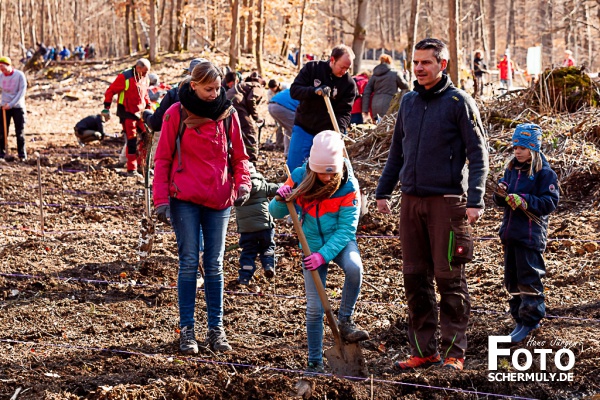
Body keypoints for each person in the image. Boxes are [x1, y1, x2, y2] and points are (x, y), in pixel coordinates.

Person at [375, 38, 489, 372]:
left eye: (427, 62)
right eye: (416, 62)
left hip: (447, 203)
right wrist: (384, 191)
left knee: (449, 277)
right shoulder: (408, 102)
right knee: (414, 277)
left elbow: (478, 153)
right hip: (411, 202)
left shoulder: (459, 102)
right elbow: (397, 151)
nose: (420, 68)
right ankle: (424, 350)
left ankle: (454, 352)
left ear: (443, 64)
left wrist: (476, 198)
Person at [153, 61, 251, 355]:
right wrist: (160, 201)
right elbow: (163, 160)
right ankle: (187, 331)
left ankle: (216, 329)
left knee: (215, 264)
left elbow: (240, 157)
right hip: (184, 198)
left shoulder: (227, 114)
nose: (214, 93)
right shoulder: (175, 114)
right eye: (208, 88)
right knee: (187, 262)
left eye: (218, 88)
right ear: (193, 85)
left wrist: (243, 184)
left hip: (219, 198)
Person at [269, 130, 369, 374]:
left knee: (355, 268)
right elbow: (275, 212)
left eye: (331, 172)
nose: (326, 177)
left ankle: (345, 320)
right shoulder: (301, 177)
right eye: (321, 172)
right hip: (310, 244)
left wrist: (324, 255)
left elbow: (347, 229)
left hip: (338, 241)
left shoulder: (348, 185)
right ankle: (315, 361)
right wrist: (281, 199)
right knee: (314, 309)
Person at [493, 123, 559, 343]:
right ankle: (518, 319)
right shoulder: (512, 169)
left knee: (529, 278)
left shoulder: (544, 173)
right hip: (511, 234)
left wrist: (525, 201)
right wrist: (501, 193)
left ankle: (531, 321)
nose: (517, 151)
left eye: (522, 147)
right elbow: (500, 201)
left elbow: (549, 202)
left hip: (530, 236)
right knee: (511, 280)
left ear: (534, 148)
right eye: (515, 148)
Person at [287, 44, 357, 171]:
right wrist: (315, 91)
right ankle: (293, 189)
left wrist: (339, 132)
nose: (344, 71)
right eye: (342, 67)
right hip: (304, 127)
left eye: (348, 69)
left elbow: (345, 112)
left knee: (322, 171)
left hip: (326, 134)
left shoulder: (349, 84)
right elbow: (295, 91)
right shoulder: (313, 68)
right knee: (295, 168)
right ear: (332, 60)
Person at [103, 58, 152, 174]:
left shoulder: (145, 78)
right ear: (138, 68)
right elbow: (110, 91)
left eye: (147, 72)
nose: (146, 74)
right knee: (132, 140)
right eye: (144, 72)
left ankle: (143, 166)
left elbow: (145, 93)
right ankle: (132, 169)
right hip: (127, 112)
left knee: (147, 137)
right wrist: (106, 107)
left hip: (140, 112)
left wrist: (149, 106)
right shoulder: (124, 77)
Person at [235, 163, 280, 285]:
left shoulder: (235, 189)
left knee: (248, 252)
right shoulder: (262, 185)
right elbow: (277, 189)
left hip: (247, 229)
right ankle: (269, 265)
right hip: (264, 226)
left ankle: (245, 277)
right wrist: (285, 185)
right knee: (267, 247)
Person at [226, 71, 265, 163]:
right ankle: (252, 161)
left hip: (227, 102)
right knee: (249, 133)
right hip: (236, 104)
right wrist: (256, 117)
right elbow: (251, 99)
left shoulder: (244, 85)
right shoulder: (257, 86)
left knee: (233, 132)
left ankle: (234, 159)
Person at [361, 54, 408, 123]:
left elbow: (367, 92)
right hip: (389, 103)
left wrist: (365, 109)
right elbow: (405, 87)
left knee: (378, 126)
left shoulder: (374, 75)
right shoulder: (395, 73)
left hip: (375, 105)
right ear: (390, 62)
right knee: (388, 126)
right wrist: (406, 76)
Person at [0, 57, 28, 161]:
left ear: (9, 65)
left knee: (19, 132)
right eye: (0, 68)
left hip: (17, 107)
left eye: (3, 67)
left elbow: (21, 92)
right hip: (4, 107)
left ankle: (22, 155)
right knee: (2, 132)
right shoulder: (0, 77)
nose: (2, 70)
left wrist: (11, 104)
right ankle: (1, 154)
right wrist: (3, 104)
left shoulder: (19, 75)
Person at [267, 88, 299, 158]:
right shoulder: (305, 94)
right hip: (282, 107)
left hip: (271, 105)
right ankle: (295, 155)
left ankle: (287, 153)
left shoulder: (297, 88)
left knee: (289, 129)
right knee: (297, 129)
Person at [267, 79, 289, 150]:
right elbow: (270, 101)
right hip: (277, 110)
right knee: (278, 126)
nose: (272, 90)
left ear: (277, 86)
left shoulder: (286, 87)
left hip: (287, 108)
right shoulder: (270, 92)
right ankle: (279, 143)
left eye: (273, 88)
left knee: (287, 128)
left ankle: (288, 144)